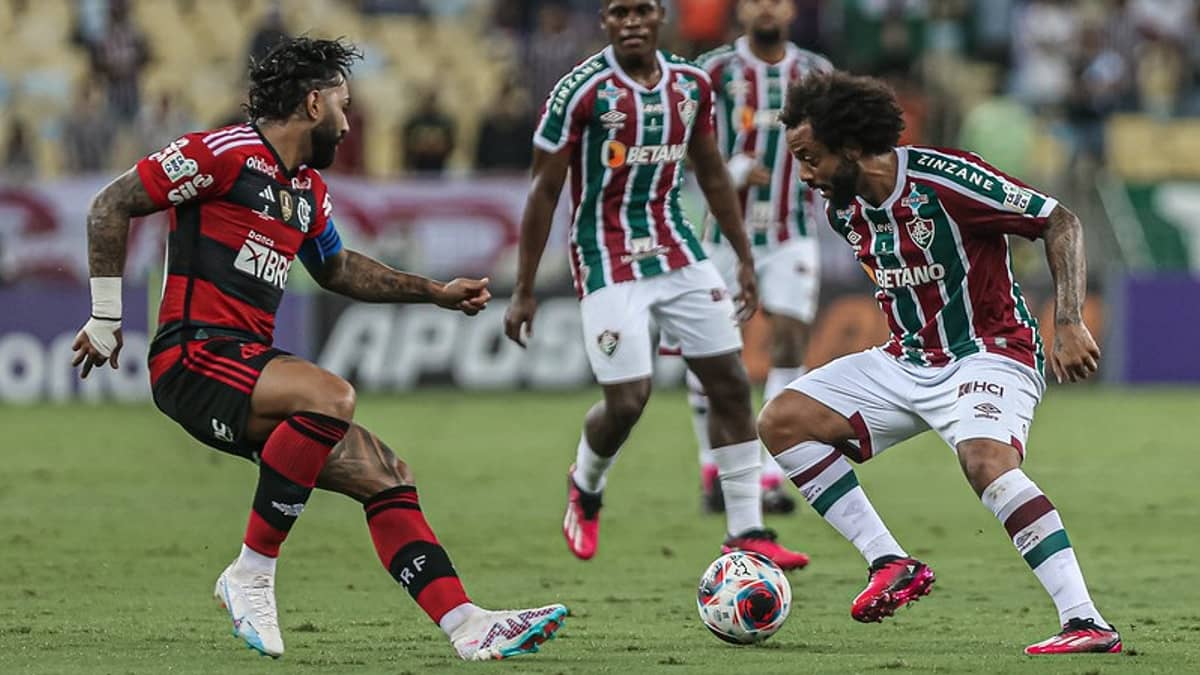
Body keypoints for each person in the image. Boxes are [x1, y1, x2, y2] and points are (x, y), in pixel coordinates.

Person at [69, 37, 566, 662]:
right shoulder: (221, 154)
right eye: (344, 106)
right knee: (331, 396)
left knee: (387, 476)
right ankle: (250, 573)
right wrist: (107, 318)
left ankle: (466, 625)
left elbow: (336, 270)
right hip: (193, 358)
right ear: (313, 103)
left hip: (247, 364)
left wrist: (432, 291)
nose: (349, 122)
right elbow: (110, 204)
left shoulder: (306, 190)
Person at [757, 70, 1121, 655]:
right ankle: (890, 562)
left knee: (984, 460)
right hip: (905, 362)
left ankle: (1085, 621)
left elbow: (1059, 221)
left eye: (811, 158)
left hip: (990, 351)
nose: (806, 175)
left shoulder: (946, 178)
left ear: (850, 148)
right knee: (781, 420)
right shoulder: (844, 209)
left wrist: (1070, 318)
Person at [503, 0, 808, 571]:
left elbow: (713, 170)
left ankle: (747, 530)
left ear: (660, 15)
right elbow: (544, 191)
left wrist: (742, 257)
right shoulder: (580, 91)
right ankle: (587, 483)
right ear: (605, 21)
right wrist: (523, 288)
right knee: (629, 400)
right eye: (620, 12)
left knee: (730, 382)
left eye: (643, 10)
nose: (632, 21)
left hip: (678, 250)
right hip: (606, 256)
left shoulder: (690, 84)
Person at [670, 0, 832, 516]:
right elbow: (677, 144)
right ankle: (712, 467)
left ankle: (768, 474)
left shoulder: (816, 72)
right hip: (721, 236)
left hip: (791, 230)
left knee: (788, 339)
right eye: (757, 0)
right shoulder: (713, 71)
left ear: (791, 11)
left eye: (777, 0)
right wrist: (727, 170)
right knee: (713, 349)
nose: (767, 8)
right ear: (741, 11)